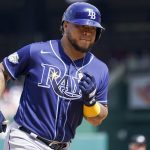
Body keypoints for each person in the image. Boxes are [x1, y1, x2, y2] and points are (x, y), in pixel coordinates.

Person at [0, 2, 109, 150]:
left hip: (63, 146)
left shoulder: (100, 69)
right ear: (65, 26)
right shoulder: (37, 52)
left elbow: (96, 120)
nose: (87, 32)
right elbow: (3, 70)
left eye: (92, 28)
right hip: (26, 139)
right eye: (81, 26)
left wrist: (91, 102)